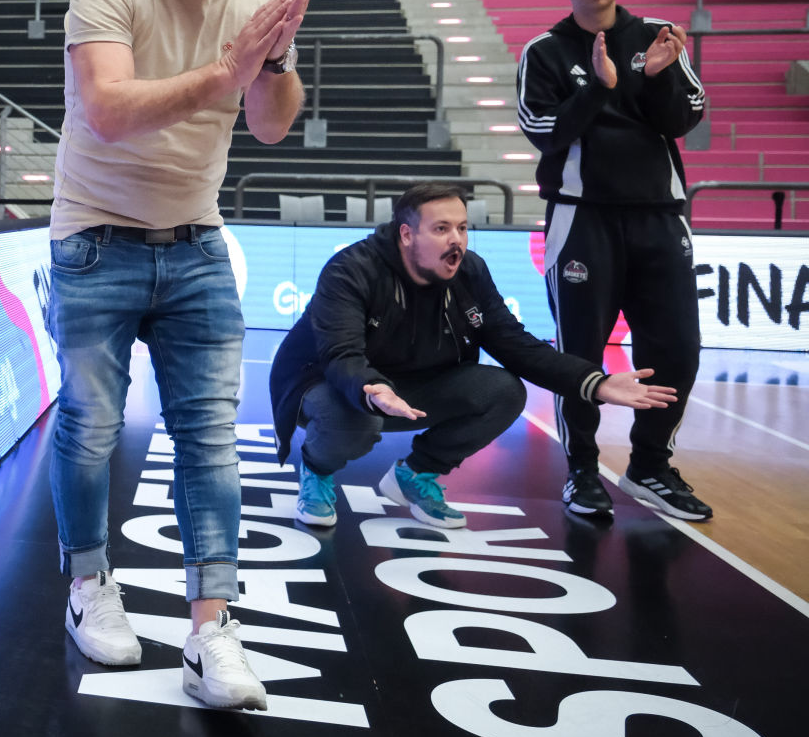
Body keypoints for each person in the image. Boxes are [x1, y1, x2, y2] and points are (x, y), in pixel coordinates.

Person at [47, 0, 314, 713]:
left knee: (209, 438)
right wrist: (225, 71)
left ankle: (212, 630)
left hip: (197, 241)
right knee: (90, 425)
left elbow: (272, 124)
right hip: (94, 238)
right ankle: (88, 583)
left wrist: (274, 61)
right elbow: (108, 111)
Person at [269, 183, 678, 529]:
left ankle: (416, 473)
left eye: (462, 228)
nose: (457, 240)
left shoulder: (470, 272)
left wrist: (595, 382)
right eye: (442, 228)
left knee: (503, 392)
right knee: (355, 420)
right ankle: (317, 469)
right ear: (407, 234)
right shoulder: (352, 269)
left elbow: (513, 342)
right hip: (329, 383)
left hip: (412, 386)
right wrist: (372, 387)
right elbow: (341, 355)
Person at [516, 0, 711, 520]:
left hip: (659, 217)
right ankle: (581, 469)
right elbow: (544, 131)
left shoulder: (658, 36)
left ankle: (650, 465)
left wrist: (658, 76)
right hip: (583, 218)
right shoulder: (545, 51)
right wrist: (599, 88)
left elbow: (685, 118)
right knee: (578, 352)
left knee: (677, 348)